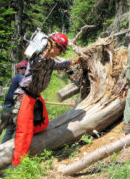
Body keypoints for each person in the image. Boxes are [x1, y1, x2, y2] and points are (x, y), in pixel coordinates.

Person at [12, 33, 81, 166]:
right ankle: (17, 164)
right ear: (53, 45)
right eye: (60, 49)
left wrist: (74, 61)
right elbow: (33, 66)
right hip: (26, 96)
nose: (60, 52)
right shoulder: (37, 58)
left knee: (42, 124)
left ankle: (31, 144)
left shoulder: (50, 62)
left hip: (36, 96)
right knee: (23, 132)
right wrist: (46, 52)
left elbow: (61, 65)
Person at [0, 60, 28, 143]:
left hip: (8, 106)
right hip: (10, 107)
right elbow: (27, 84)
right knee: (18, 123)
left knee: (10, 129)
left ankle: (2, 147)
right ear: (21, 69)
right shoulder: (19, 77)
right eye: (25, 69)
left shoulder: (17, 78)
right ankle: (14, 145)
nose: (26, 71)